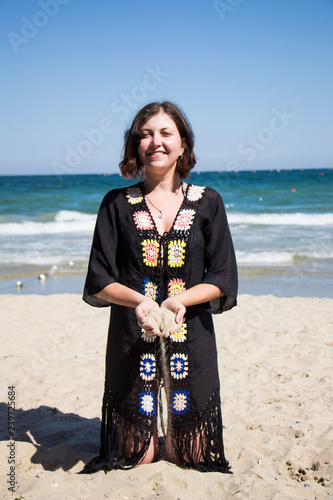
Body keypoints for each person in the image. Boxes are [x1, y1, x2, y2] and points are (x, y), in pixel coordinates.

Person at [79, 101, 237, 474]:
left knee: (192, 458)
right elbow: (99, 279)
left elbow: (222, 276)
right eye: (146, 134)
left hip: (192, 335)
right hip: (132, 335)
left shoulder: (208, 202)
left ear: (183, 144)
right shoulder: (116, 204)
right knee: (138, 457)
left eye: (166, 133)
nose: (156, 142)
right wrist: (142, 303)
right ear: (136, 146)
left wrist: (179, 300)